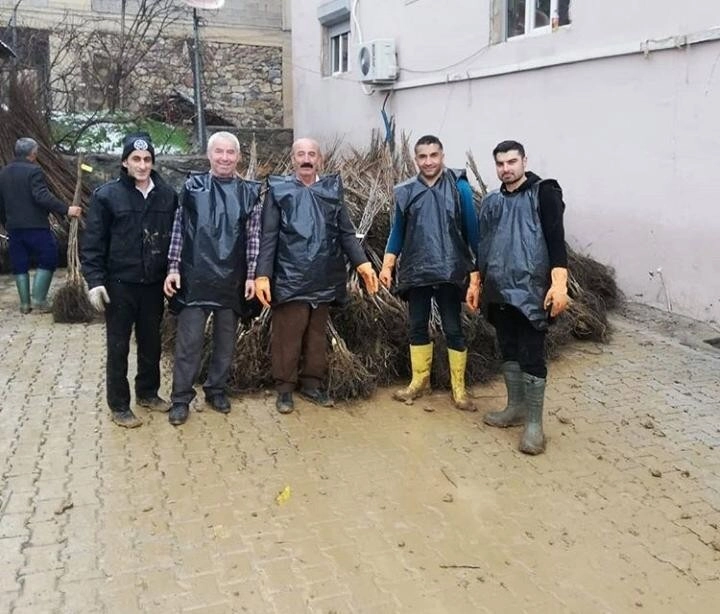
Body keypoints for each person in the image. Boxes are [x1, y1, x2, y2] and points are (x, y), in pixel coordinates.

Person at [254, 137, 378, 414]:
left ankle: (311, 383)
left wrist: (363, 263)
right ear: (293, 159)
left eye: (311, 154)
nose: (306, 159)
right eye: (301, 154)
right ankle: (285, 389)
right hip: (290, 276)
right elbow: (269, 236)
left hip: (323, 277)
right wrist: (263, 274)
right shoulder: (279, 190)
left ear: (319, 159)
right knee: (288, 335)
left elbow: (345, 231)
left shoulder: (331, 190)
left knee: (316, 336)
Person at [474, 140, 569, 455]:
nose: (506, 169)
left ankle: (534, 424)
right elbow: (483, 245)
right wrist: (476, 282)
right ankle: (514, 407)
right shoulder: (491, 202)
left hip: (531, 293)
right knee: (508, 350)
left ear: (524, 160)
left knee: (531, 355)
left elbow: (556, 240)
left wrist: (559, 283)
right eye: (500, 164)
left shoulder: (544, 194)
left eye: (512, 162)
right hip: (499, 290)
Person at [164, 131, 263, 426]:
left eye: (230, 153)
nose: (224, 158)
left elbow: (253, 237)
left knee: (226, 340)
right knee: (189, 341)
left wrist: (252, 274)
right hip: (195, 275)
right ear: (209, 155)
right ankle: (180, 397)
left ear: (238, 157)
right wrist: (173, 267)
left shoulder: (249, 193)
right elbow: (179, 229)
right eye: (219, 152)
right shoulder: (192, 187)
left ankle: (216, 389)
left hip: (232, 276)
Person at [81, 132, 178, 428]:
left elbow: (176, 238)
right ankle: (119, 404)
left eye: (147, 159)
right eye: (136, 159)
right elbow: (93, 242)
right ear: (124, 162)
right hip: (119, 284)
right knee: (118, 345)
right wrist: (95, 280)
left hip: (152, 284)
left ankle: (148, 392)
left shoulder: (167, 195)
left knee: (151, 342)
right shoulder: (107, 196)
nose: (142, 165)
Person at [379, 135, 480, 411]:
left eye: (433, 155)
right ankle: (419, 381)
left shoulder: (460, 188)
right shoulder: (406, 191)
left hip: (450, 269)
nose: (428, 161)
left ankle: (459, 389)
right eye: (422, 157)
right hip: (416, 268)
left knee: (452, 328)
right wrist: (388, 265)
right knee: (416, 326)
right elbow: (397, 231)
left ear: (442, 156)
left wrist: (476, 272)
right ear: (415, 160)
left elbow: (473, 231)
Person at [0, 137, 81, 313]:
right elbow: (41, 196)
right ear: (33, 153)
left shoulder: (3, 172)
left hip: (13, 226)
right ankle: (39, 300)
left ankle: (24, 304)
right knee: (49, 256)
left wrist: (6, 223)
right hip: (35, 226)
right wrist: (67, 209)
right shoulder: (34, 171)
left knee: (19, 263)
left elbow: (1, 203)